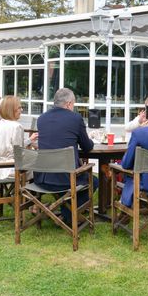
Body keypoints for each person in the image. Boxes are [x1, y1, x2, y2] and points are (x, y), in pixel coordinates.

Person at [36, 88, 97, 226]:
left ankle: (56, 210)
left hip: (41, 178)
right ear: (69, 104)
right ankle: (68, 214)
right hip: (65, 179)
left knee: (78, 177)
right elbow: (87, 147)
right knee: (93, 180)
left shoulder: (42, 118)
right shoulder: (75, 118)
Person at [0, 95, 38, 180]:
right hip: (10, 169)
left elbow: (11, 147)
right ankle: (30, 191)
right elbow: (18, 152)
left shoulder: (0, 123)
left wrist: (29, 140)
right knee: (38, 160)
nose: (21, 110)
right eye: (19, 108)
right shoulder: (17, 126)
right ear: (11, 110)